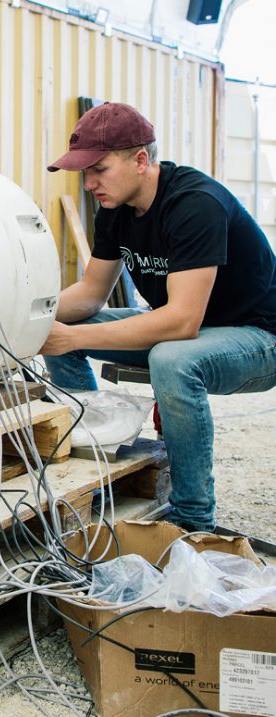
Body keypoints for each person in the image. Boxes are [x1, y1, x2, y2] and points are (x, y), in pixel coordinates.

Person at [42, 101, 276, 533]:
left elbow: (181, 323)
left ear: (142, 160)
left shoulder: (195, 204)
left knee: (171, 359)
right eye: (84, 173)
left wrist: (69, 340)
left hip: (256, 338)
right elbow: (91, 295)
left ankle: (192, 519)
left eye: (99, 169)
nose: (90, 183)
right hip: (187, 328)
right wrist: (28, 316)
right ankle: (92, 452)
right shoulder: (114, 208)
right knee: (56, 327)